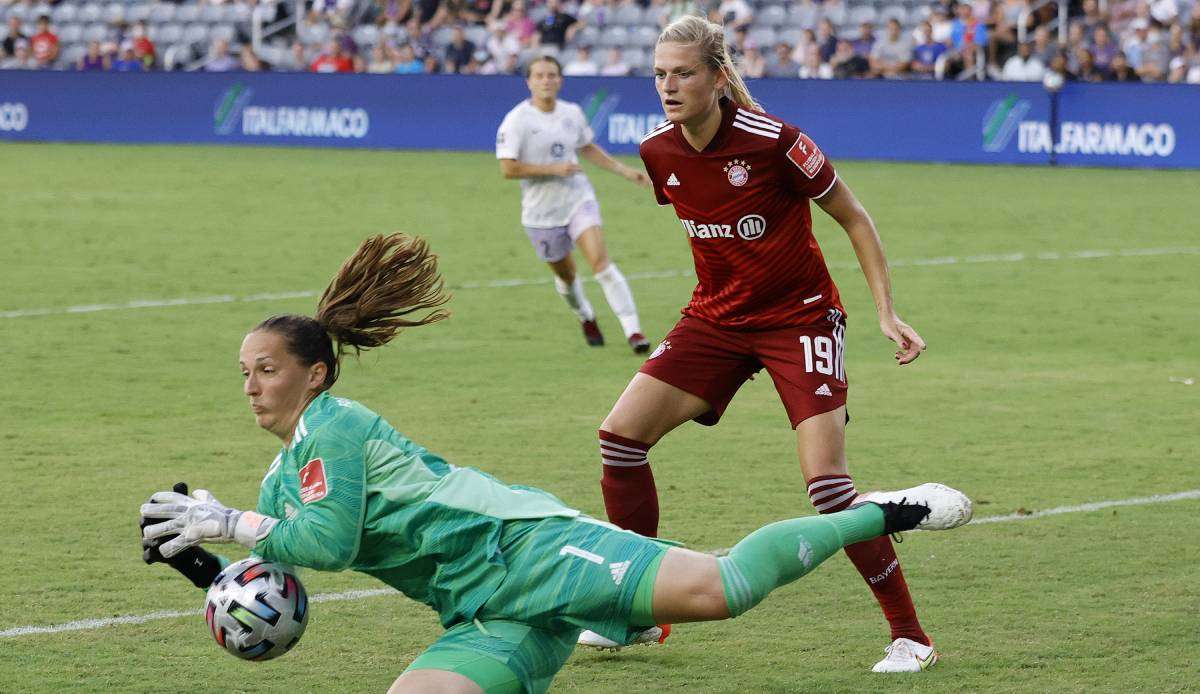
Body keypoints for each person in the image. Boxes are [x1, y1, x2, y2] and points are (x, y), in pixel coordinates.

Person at [139, 232, 973, 694]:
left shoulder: (339, 425)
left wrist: (232, 522)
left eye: (267, 369)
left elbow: (323, 543)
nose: (251, 386)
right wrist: (199, 558)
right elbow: (272, 574)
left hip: (534, 550)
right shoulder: (282, 480)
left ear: (314, 374)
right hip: (483, 616)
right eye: (244, 372)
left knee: (723, 591)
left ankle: (880, 512)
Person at [587, 15, 940, 673]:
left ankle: (911, 636)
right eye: (660, 73)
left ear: (718, 78)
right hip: (715, 320)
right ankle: (636, 612)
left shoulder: (777, 142)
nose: (668, 85)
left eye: (683, 73)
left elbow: (855, 220)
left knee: (828, 489)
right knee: (620, 437)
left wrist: (885, 313)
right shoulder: (657, 150)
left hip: (800, 321)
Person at [496, 55, 652, 353]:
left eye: (552, 75)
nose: (546, 80)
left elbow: (586, 146)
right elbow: (508, 169)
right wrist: (554, 169)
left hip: (578, 199)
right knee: (567, 277)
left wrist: (624, 171)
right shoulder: (516, 121)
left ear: (560, 80)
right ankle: (585, 316)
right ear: (529, 82)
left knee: (601, 263)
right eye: (539, 75)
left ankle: (634, 331)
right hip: (541, 213)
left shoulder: (572, 112)